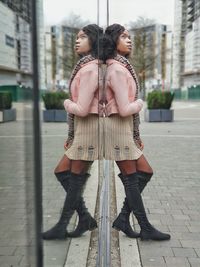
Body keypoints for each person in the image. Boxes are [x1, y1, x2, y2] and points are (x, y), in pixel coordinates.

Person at [103, 24, 170, 241]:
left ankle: (123, 218)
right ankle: (145, 227)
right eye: (124, 36)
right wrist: (140, 103)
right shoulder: (117, 69)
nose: (129, 40)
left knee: (144, 172)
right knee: (133, 179)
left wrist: (136, 134)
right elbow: (124, 108)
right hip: (118, 127)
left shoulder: (122, 66)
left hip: (124, 129)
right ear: (113, 40)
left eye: (129, 37)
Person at [42, 24, 103, 240]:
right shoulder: (85, 66)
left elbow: (82, 108)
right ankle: (84, 218)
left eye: (83, 37)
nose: (77, 40)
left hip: (88, 129)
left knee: (72, 177)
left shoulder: (89, 69)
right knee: (64, 173)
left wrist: (66, 102)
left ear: (94, 40)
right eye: (76, 37)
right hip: (83, 130)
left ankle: (63, 226)